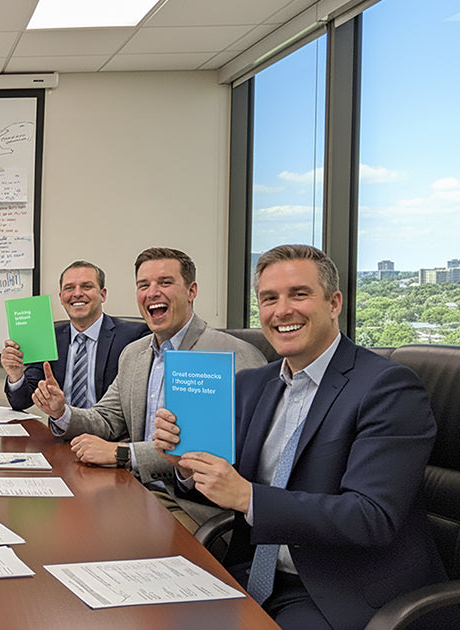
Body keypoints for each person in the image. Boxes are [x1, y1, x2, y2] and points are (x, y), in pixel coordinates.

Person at [154, 245, 446, 629]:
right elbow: (225, 485)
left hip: (338, 589)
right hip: (251, 571)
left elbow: (370, 517)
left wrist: (248, 497)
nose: (282, 310)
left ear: (334, 303)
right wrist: (188, 466)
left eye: (299, 294)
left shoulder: (388, 388)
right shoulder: (252, 384)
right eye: (269, 298)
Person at [33, 247, 266, 531]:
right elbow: (106, 420)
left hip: (192, 507)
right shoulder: (134, 354)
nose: (152, 292)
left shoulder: (228, 356)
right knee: (55, 525)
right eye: (144, 285)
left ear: (192, 291)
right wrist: (61, 412)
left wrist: (124, 453)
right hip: (130, 489)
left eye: (165, 283)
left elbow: (210, 455)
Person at [1, 260, 148, 411]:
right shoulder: (50, 336)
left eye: (87, 287)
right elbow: (21, 402)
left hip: (109, 432)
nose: (77, 294)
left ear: (103, 295)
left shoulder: (133, 337)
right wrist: (16, 375)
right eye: (69, 288)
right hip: (62, 429)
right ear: (61, 297)